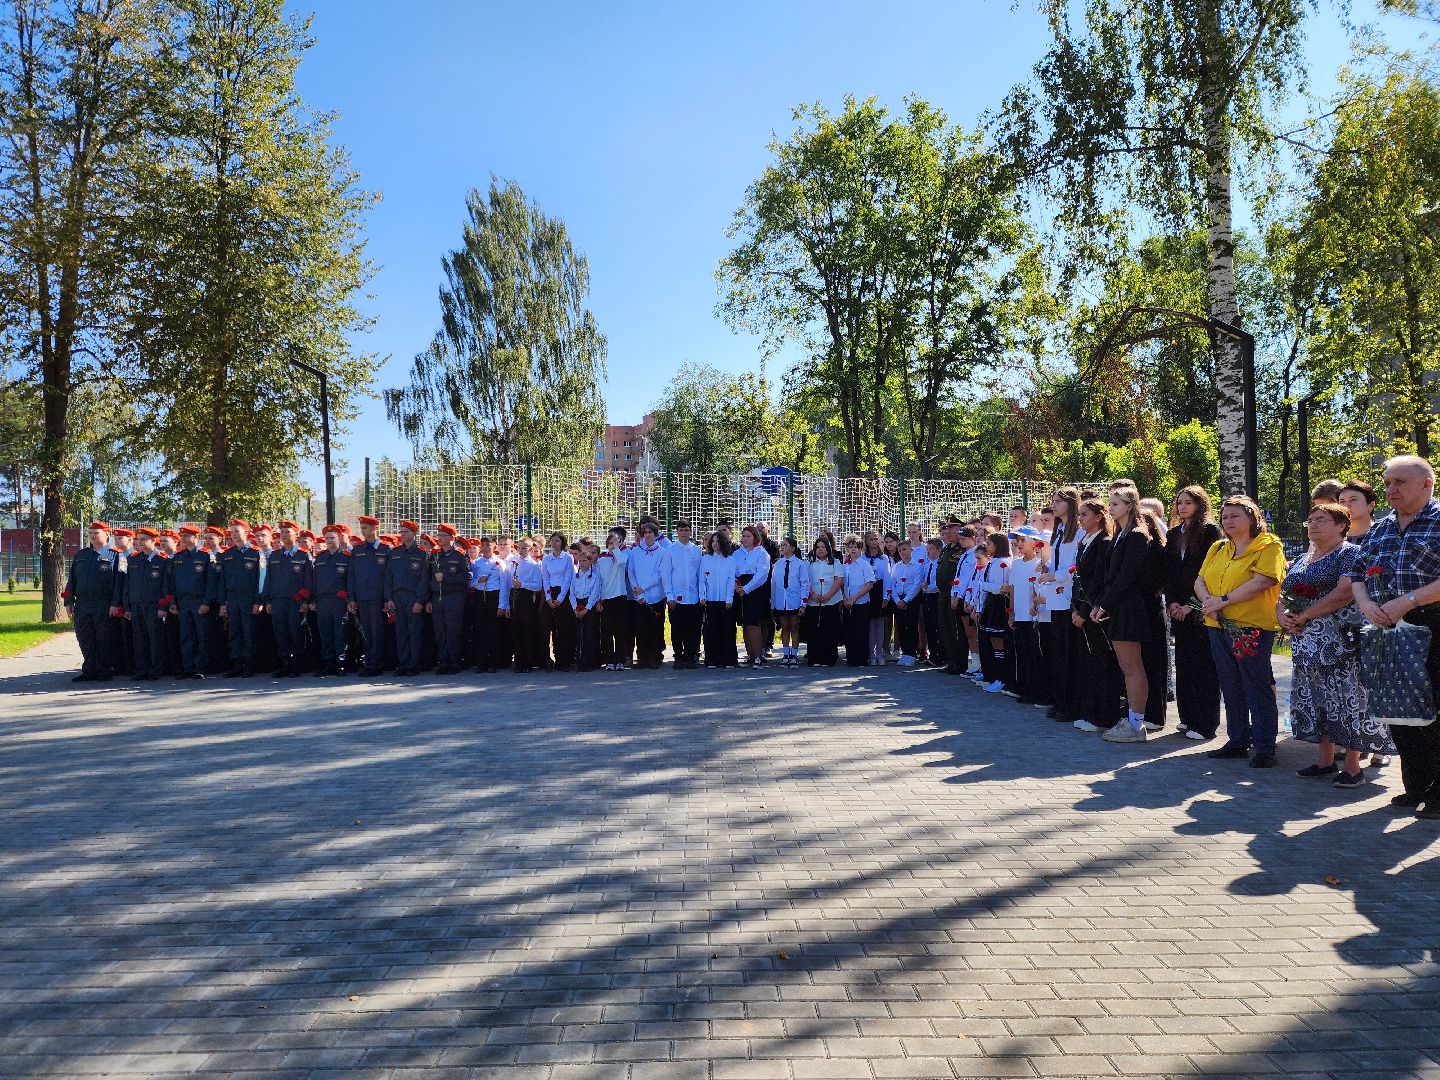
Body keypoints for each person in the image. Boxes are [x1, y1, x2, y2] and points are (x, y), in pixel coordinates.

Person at [1351, 455, 1440, 819]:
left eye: (1400, 482)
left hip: (1432, 623)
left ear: (1427, 485)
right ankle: (1415, 787)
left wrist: (1408, 601)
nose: (1391, 489)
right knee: (1400, 709)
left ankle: (1438, 793)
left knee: (1434, 712)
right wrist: (1367, 604)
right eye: (1388, 482)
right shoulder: (1382, 527)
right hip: (1388, 628)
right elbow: (1357, 571)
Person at [1284, 502, 1394, 788]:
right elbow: (1283, 593)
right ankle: (1324, 761)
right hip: (1307, 643)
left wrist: (1305, 615)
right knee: (1318, 699)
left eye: (1320, 520)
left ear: (1342, 525)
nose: (1312, 525)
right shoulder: (1302, 557)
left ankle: (1354, 766)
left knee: (1348, 700)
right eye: (1310, 520)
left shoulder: (1350, 554)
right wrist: (1284, 616)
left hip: (1340, 643)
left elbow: (1345, 592)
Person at [1196, 495, 1287, 768]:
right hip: (1218, 624)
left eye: (1235, 515)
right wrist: (1208, 603)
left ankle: (1264, 747)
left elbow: (1263, 581)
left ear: (1253, 518)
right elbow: (1200, 580)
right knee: (1231, 685)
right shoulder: (1218, 547)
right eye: (1225, 516)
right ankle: (1237, 741)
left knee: (1256, 685)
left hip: (1250, 626)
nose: (1228, 520)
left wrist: (1222, 601)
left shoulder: (1268, 545)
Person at [1091, 487, 1159, 743]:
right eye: (1110, 503)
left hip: (1130, 607)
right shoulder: (1121, 534)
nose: (1111, 508)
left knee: (1133, 667)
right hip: (1118, 606)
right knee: (1125, 666)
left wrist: (1103, 605)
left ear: (1131, 505)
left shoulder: (1137, 536)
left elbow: (1126, 577)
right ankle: (1131, 718)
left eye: (1117, 504)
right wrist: (1102, 604)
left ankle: (1136, 724)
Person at [1164, 486, 1222, 741]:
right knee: (1184, 664)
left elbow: (1210, 572)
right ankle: (1188, 717)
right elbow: (1170, 571)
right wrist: (1172, 602)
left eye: (1188, 502)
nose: (1183, 507)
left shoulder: (1210, 532)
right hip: (1178, 608)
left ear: (1200, 505)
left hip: (1200, 606)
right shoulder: (1174, 533)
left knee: (1203, 666)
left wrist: (1192, 605)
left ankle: (1205, 723)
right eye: (1179, 502)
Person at [1070, 498, 1121, 733]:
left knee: (1101, 663)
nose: (1080, 519)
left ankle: (1103, 716)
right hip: (1081, 610)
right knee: (1088, 663)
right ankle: (1090, 711)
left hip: (1094, 612)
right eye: (1079, 515)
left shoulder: (1104, 542)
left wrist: (1084, 611)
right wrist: (1074, 608)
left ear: (1099, 517)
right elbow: (1078, 581)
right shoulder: (1085, 542)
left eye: (1084, 515)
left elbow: (1098, 580)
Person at [1041, 489, 1082, 722]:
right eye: (1053, 501)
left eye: (1059, 502)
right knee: (1057, 652)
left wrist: (1055, 575)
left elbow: (1076, 566)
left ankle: (1070, 704)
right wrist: (1047, 570)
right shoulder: (1058, 530)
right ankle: (1059, 701)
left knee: (1068, 654)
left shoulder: (1077, 530)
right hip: (1056, 597)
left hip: (1068, 596)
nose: (1054, 505)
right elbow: (1058, 561)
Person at [384, 521, 431, 677]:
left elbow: (424, 579)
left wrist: (420, 600)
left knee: (414, 631)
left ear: (414, 533)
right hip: (398, 597)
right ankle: (402, 663)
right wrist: (389, 598)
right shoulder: (395, 552)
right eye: (401, 531)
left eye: (406, 531)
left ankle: (414, 664)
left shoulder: (422, 553)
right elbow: (389, 576)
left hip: (413, 597)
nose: (403, 534)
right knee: (401, 632)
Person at [169, 525, 215, 680]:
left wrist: (207, 602)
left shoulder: (205, 556)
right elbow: (173, 582)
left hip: (199, 601)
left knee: (202, 635)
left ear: (196, 537)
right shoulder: (178, 558)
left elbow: (211, 582)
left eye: (188, 536)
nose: (184, 538)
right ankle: (187, 667)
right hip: (183, 602)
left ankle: (200, 667)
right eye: (183, 536)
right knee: (186, 636)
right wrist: (173, 602)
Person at [311, 525, 352, 677]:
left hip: (340, 601)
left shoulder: (346, 557)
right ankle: (328, 663)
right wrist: (313, 599)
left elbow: (350, 580)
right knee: (325, 633)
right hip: (323, 601)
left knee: (340, 633)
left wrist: (350, 599)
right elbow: (315, 582)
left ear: (339, 539)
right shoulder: (320, 558)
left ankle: (340, 664)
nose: (329, 541)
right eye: (327, 538)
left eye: (332, 538)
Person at [431, 524, 471, 674]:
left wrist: (447, 577)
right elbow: (428, 577)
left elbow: (466, 576)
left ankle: (454, 662)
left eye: (443, 535)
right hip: (437, 598)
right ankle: (444, 662)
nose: (439, 538)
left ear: (452, 538)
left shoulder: (460, 554)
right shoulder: (435, 555)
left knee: (453, 631)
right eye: (439, 535)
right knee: (439, 631)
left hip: (454, 598)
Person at [663, 521, 704, 669]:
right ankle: (678, 656)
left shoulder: (696, 550)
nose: (684, 533)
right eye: (681, 530)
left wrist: (701, 595)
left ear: (690, 531)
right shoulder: (670, 550)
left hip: (693, 597)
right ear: (676, 532)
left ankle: (690, 655)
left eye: (686, 530)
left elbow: (700, 574)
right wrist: (669, 596)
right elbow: (666, 574)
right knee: (677, 629)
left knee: (693, 629)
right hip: (676, 598)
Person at [934, 515, 967, 674]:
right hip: (943, 594)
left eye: (952, 529)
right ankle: (951, 660)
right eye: (947, 529)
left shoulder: (962, 549)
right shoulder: (946, 548)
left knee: (956, 629)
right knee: (944, 627)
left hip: (954, 594)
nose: (948, 532)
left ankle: (960, 663)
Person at [700, 530, 738, 668]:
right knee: (711, 630)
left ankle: (728, 659)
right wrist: (702, 596)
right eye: (713, 541)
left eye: (718, 541)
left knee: (727, 630)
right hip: (710, 600)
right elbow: (702, 580)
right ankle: (712, 659)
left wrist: (729, 599)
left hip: (725, 601)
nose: (715, 544)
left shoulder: (730, 560)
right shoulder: (705, 559)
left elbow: (730, 581)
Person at [540, 531, 577, 672]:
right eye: (552, 540)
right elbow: (545, 578)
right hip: (550, 594)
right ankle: (546, 660)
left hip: (564, 594)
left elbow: (568, 578)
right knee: (545, 627)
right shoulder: (546, 559)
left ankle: (564, 660)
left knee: (564, 629)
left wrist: (560, 598)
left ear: (562, 543)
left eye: (557, 541)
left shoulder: (567, 558)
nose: (554, 543)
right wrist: (549, 598)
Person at [596, 527, 631, 671]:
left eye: (616, 542)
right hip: (606, 599)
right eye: (610, 543)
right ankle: (609, 659)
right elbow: (598, 581)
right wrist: (599, 599)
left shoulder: (622, 556)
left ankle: (620, 659)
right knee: (607, 631)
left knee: (620, 631)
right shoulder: (601, 561)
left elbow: (622, 562)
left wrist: (617, 549)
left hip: (620, 598)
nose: (613, 545)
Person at [806, 536, 843, 667]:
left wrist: (828, 595)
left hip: (831, 601)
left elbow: (839, 580)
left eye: (823, 547)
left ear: (828, 549)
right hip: (814, 601)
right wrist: (812, 594)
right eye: (818, 547)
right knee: (814, 630)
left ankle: (829, 658)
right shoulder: (809, 563)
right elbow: (805, 581)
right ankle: (814, 658)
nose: (820, 550)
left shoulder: (836, 562)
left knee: (830, 629)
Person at [770, 536, 807, 667]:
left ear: (792, 548)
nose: (782, 547)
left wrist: (803, 604)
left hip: (794, 600)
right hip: (781, 601)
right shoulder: (778, 564)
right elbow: (773, 584)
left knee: (794, 627)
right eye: (781, 545)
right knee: (784, 627)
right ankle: (785, 654)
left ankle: (794, 655)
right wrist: (772, 603)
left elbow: (804, 584)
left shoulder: (800, 564)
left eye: (785, 545)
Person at [840, 535, 875, 666]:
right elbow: (842, 584)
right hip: (848, 603)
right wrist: (845, 598)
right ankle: (851, 657)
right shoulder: (845, 565)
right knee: (849, 631)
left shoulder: (864, 565)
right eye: (850, 547)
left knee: (861, 631)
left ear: (861, 548)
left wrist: (854, 598)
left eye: (856, 547)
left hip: (861, 603)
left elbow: (869, 584)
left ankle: (861, 658)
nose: (853, 549)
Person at [888, 540, 924, 667]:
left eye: (904, 549)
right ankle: (904, 653)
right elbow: (892, 584)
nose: (902, 552)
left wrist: (905, 600)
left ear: (911, 550)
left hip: (911, 600)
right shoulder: (896, 566)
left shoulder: (917, 566)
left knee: (912, 626)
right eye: (900, 550)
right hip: (898, 599)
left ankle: (912, 654)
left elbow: (916, 586)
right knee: (901, 627)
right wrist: (897, 600)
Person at [572, 547, 600, 671]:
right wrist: (574, 607)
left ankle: (590, 662)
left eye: (585, 561)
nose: (582, 563)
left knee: (589, 634)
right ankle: (580, 661)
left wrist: (587, 608)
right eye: (580, 561)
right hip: (577, 604)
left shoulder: (594, 576)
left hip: (589, 605)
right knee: (579, 634)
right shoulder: (575, 576)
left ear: (590, 562)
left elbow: (595, 593)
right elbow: (571, 592)